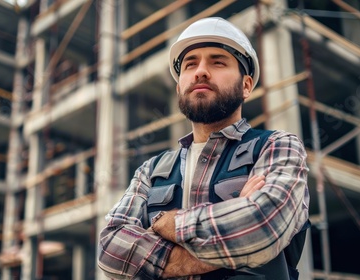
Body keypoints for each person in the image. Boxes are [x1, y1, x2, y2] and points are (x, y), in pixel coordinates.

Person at [98, 17, 310, 279]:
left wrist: (166, 225)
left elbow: (264, 225)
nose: (200, 71)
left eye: (217, 61)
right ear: (179, 88)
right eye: (190, 64)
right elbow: (111, 250)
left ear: (246, 85)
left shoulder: (277, 147)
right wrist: (235, 225)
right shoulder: (150, 171)